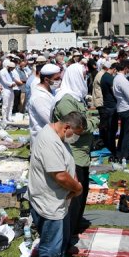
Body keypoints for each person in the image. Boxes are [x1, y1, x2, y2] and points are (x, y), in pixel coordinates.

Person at [28, 111, 84, 257]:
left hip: (58, 199)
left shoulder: (59, 137)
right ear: (67, 127)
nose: (75, 138)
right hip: (47, 200)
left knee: (59, 238)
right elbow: (59, 175)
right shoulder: (50, 141)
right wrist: (77, 188)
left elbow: (67, 165)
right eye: (75, 133)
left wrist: (73, 182)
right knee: (51, 243)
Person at [52, 62, 97, 237]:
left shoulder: (74, 97)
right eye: (82, 76)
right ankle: (68, 234)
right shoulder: (65, 100)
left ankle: (74, 227)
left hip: (81, 153)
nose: (85, 79)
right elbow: (77, 126)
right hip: (72, 154)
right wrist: (94, 123)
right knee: (74, 195)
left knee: (81, 193)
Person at [27, 63, 61, 143]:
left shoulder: (50, 90)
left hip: (51, 137)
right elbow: (50, 120)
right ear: (46, 80)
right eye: (56, 79)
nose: (59, 81)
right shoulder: (39, 97)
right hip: (43, 140)